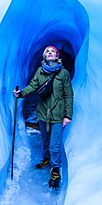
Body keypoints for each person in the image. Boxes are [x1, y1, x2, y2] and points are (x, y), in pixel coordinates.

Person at [13, 46, 73, 187]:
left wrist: (68, 115)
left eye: (53, 52)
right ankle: (46, 159)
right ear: (45, 57)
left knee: (54, 144)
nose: (50, 53)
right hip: (43, 113)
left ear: (56, 56)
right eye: (47, 52)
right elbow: (32, 86)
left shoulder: (63, 73)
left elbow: (69, 94)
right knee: (45, 140)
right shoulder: (40, 72)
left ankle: (56, 170)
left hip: (58, 115)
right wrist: (20, 94)